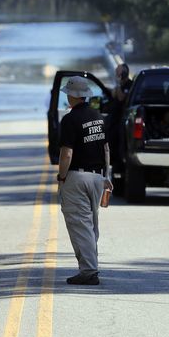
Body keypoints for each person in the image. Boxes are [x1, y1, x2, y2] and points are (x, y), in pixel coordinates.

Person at [56, 76, 113, 286]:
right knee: (91, 224)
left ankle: (89, 271)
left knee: (80, 224)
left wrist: (62, 177)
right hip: (97, 177)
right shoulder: (99, 117)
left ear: (73, 96)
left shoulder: (70, 120)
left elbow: (66, 154)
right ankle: (89, 266)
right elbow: (106, 149)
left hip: (77, 177)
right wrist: (106, 176)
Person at [106, 63, 132, 173]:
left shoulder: (129, 85)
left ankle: (120, 165)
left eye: (119, 71)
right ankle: (115, 163)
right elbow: (113, 95)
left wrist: (118, 86)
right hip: (114, 120)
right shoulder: (120, 85)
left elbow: (121, 98)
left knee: (120, 145)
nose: (117, 73)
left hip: (123, 120)